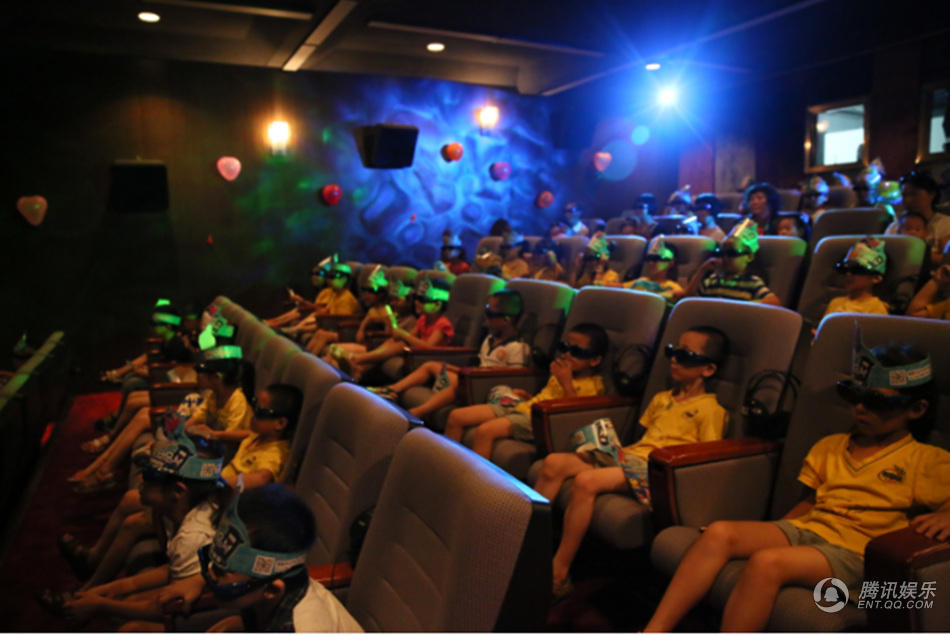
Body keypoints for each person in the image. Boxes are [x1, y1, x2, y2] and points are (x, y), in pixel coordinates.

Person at [644, 338, 950, 632]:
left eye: (877, 401)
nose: (860, 408)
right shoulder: (831, 445)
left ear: (916, 409)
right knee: (719, 532)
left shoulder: (926, 460)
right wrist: (776, 532)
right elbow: (809, 502)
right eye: (855, 396)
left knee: (768, 562)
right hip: (811, 528)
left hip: (855, 551)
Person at [534, 326, 729, 596]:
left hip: (658, 471)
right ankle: (529, 546)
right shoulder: (661, 398)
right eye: (672, 352)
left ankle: (559, 571)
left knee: (586, 481)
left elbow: (706, 458)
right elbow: (644, 438)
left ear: (708, 369)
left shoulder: (711, 409)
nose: (674, 360)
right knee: (554, 463)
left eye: (685, 356)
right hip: (633, 457)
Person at [39, 423, 230, 627]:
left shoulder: (193, 536)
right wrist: (104, 590)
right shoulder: (174, 511)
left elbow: (171, 608)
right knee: (118, 597)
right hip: (192, 587)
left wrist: (101, 605)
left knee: (127, 624)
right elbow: (172, 568)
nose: (140, 478)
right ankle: (84, 593)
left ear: (178, 491)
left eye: (149, 476)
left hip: (212, 610)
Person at [67, 326, 252, 494]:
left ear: (216, 378)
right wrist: (175, 436)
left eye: (200, 371)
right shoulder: (213, 394)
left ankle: (103, 469)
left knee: (145, 420)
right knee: (147, 422)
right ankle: (101, 467)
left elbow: (230, 440)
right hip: (204, 436)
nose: (197, 373)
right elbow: (193, 421)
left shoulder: (236, 401)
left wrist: (200, 435)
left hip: (218, 453)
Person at [189, 484, 362, 632]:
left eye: (221, 571)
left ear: (271, 590)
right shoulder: (273, 585)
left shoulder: (304, 626)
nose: (210, 574)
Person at [444, 323, 608, 459]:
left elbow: (574, 415)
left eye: (577, 352)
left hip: (539, 420)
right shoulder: (562, 372)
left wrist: (566, 383)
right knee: (456, 416)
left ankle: (474, 482)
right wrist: (528, 396)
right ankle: (447, 468)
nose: (566, 354)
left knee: (485, 431)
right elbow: (547, 395)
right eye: (564, 347)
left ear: (595, 360)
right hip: (524, 407)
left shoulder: (593, 385)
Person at [369, 290, 529, 418]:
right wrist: (460, 370)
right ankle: (391, 390)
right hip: (474, 378)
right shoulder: (489, 339)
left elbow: (513, 378)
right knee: (431, 366)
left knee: (459, 384)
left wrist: (469, 375)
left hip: (487, 388)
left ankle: (416, 413)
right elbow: (480, 365)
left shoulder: (517, 347)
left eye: (490, 314)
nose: (485, 319)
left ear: (507, 319)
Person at [346, 278, 455, 378]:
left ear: (438, 304)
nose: (416, 302)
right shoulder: (423, 319)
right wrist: (401, 335)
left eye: (422, 300)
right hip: (416, 353)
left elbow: (429, 348)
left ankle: (359, 358)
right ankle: (360, 367)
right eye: (416, 298)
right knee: (397, 341)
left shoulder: (442, 324)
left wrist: (404, 335)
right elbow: (411, 336)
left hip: (430, 357)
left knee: (402, 343)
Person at [220, 383, 302, 488]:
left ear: (280, 423)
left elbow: (262, 478)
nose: (253, 414)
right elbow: (247, 433)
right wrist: (215, 434)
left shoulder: (273, 453)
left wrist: (219, 483)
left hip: (227, 491)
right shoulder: (259, 435)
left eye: (260, 412)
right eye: (254, 405)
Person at [684, 218, 781, 305]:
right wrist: (702, 270)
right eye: (723, 253)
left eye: (732, 253)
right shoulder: (714, 280)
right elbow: (688, 299)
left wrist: (741, 306)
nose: (726, 257)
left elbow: (774, 302)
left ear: (749, 256)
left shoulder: (751, 282)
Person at [821, 237, 890, 319]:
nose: (848, 274)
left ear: (876, 278)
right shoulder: (835, 303)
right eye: (845, 269)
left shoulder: (877, 309)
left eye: (856, 269)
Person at [885, 170, 950, 256]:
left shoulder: (946, 225)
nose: (908, 200)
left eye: (914, 194)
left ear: (932, 194)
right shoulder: (895, 227)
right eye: (904, 195)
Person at [266, 259, 329, 329]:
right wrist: (300, 302)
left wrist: (302, 301)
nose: (314, 277)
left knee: (301, 311)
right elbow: (312, 305)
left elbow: (320, 308)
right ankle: (274, 322)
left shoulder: (327, 290)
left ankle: (276, 324)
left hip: (320, 316)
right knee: (299, 309)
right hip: (309, 312)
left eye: (318, 274)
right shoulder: (315, 289)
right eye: (312, 274)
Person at [621, 239, 684, 306]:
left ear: (671, 262)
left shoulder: (672, 287)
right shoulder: (641, 280)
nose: (651, 263)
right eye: (650, 258)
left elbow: (683, 295)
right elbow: (617, 289)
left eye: (657, 259)